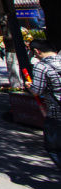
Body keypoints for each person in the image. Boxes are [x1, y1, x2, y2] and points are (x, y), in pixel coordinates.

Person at [25, 39, 61, 169]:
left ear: (37, 51)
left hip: (56, 115)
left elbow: (37, 90)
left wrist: (29, 86)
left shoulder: (42, 66)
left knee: (54, 147)